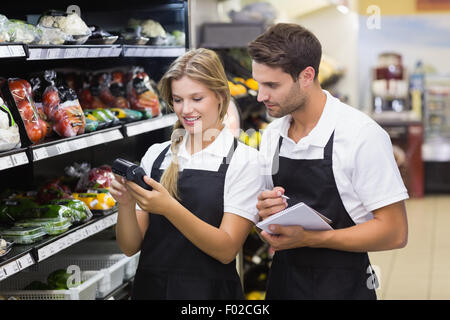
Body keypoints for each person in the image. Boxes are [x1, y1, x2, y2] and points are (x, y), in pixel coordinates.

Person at [249, 23, 409, 300]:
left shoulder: (360, 135)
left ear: (307, 76)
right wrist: (266, 210)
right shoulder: (273, 134)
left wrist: (312, 238)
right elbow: (264, 213)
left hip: (343, 286)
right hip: (284, 282)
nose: (261, 96)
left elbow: (394, 232)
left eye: (272, 85)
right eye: (258, 83)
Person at [110, 48, 263, 300]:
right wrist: (125, 205)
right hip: (152, 290)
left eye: (197, 98)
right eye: (178, 99)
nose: (186, 109)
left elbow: (226, 249)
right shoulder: (157, 155)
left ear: (220, 96)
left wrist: (169, 207)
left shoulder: (244, 160)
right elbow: (129, 247)